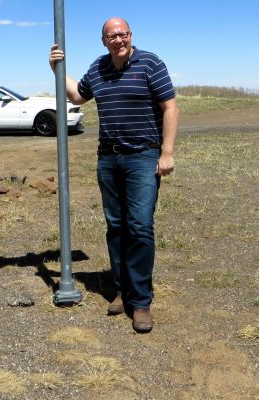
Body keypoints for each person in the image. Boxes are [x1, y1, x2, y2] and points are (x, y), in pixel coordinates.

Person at [48, 17, 178, 333]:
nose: (118, 39)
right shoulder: (97, 68)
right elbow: (77, 97)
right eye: (112, 36)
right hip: (108, 159)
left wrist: (167, 152)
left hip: (143, 157)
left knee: (140, 226)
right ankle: (122, 291)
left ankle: (141, 301)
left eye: (123, 34)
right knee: (116, 226)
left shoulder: (150, 63)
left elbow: (170, 107)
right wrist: (57, 70)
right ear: (104, 41)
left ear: (130, 36)